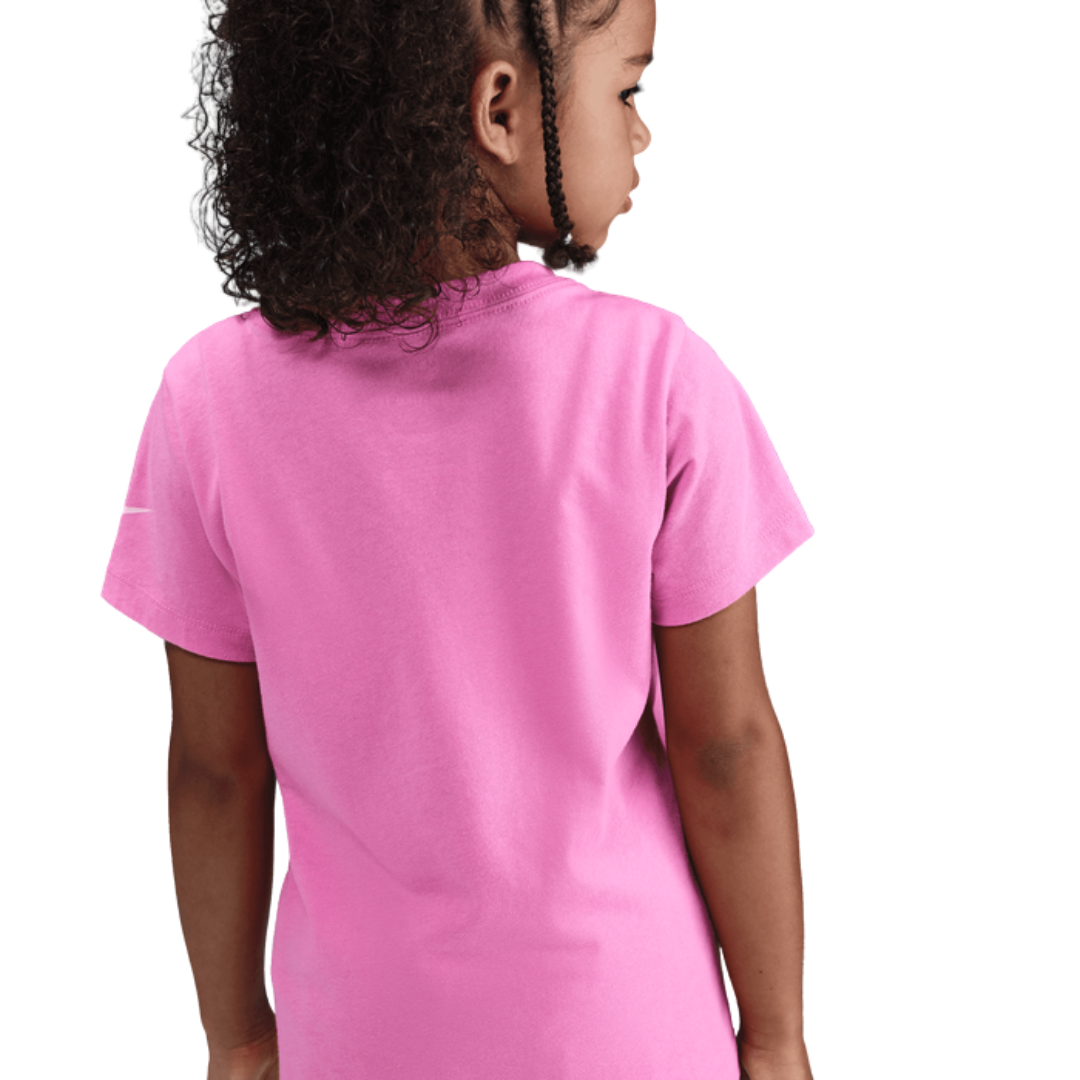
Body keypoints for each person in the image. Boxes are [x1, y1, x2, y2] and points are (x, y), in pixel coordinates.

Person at [100, 0, 817, 1076]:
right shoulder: (654, 378)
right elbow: (725, 749)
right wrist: (775, 1038)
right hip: (627, 1037)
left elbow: (216, 769)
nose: (642, 131)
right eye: (627, 88)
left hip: (359, 1042)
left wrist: (239, 1037)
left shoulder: (207, 400)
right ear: (500, 108)